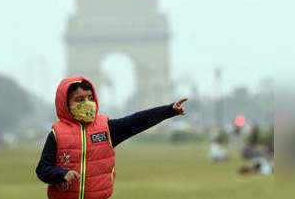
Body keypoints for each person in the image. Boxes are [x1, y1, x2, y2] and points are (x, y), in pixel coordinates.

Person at [36, 76, 187, 199]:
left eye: (90, 98)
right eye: (80, 100)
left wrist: (168, 110)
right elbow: (42, 169)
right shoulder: (57, 134)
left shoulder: (106, 128)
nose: (87, 103)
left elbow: (138, 120)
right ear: (65, 103)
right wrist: (61, 174)